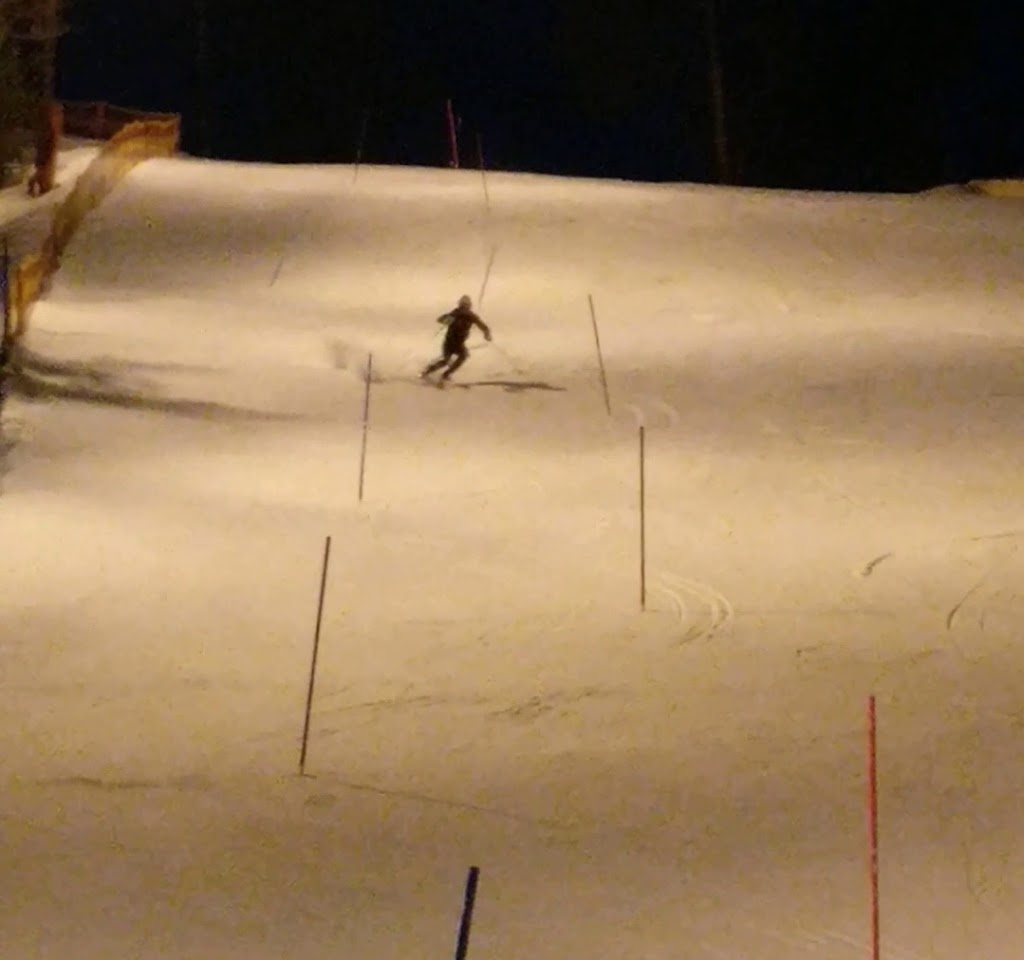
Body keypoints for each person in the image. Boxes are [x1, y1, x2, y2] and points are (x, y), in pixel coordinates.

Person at [420, 294, 492, 383]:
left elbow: (482, 325)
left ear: (468, 306)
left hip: (459, 344)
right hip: (449, 343)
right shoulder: (456, 314)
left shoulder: (470, 316)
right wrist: (450, 317)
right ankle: (428, 372)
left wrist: (487, 333)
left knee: (462, 356)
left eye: (466, 306)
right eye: (463, 306)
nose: (464, 309)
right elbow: (440, 320)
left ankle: (445, 375)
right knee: (447, 361)